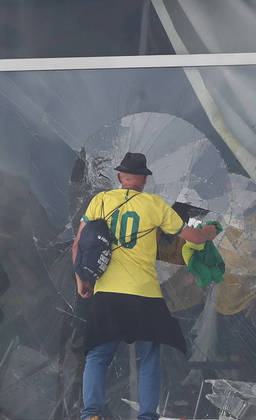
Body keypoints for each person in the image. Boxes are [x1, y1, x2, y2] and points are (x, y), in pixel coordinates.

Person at [72, 152, 217, 420]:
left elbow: (80, 243)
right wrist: (210, 232)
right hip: (144, 294)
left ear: (120, 178)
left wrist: (82, 279)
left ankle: (91, 415)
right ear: (144, 180)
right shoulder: (154, 205)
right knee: (149, 356)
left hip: (107, 293)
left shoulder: (100, 201)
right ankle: (147, 416)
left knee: (98, 355)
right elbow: (192, 236)